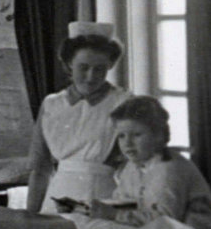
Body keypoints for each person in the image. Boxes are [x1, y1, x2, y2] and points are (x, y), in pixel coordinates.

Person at [66, 95, 211, 229]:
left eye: (136, 135)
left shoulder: (168, 168)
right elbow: (125, 200)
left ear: (158, 136)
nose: (127, 144)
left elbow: (166, 219)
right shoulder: (133, 166)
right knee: (87, 226)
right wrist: (98, 207)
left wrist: (114, 214)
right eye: (121, 136)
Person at [26, 21, 132, 213]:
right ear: (69, 64)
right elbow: (40, 169)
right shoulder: (52, 104)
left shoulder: (122, 102)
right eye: (83, 67)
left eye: (100, 69)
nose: (91, 76)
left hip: (103, 198)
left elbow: (134, 164)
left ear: (109, 66)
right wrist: (30, 215)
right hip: (57, 197)